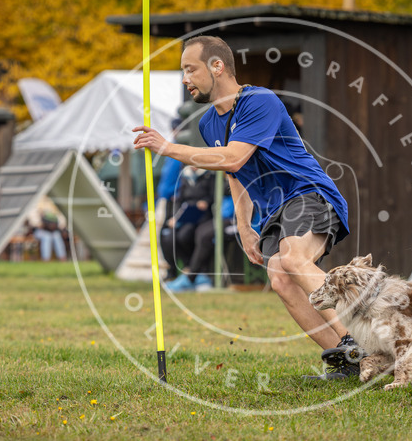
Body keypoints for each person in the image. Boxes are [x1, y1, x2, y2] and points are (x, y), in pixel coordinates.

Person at [134, 35, 361, 379]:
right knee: (281, 278)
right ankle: (348, 359)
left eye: (190, 69)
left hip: (308, 192)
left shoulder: (259, 101)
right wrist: (244, 225)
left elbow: (235, 154)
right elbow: (234, 172)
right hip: (274, 211)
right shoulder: (208, 124)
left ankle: (365, 340)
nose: (185, 79)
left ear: (217, 66)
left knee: (293, 258)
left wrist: (169, 148)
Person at [161, 165, 216, 292]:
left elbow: (213, 196)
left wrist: (205, 202)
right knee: (171, 237)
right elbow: (180, 199)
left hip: (203, 217)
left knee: (189, 236)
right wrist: (175, 217)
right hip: (187, 215)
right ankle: (187, 267)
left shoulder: (209, 176)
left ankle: (195, 272)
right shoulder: (185, 176)